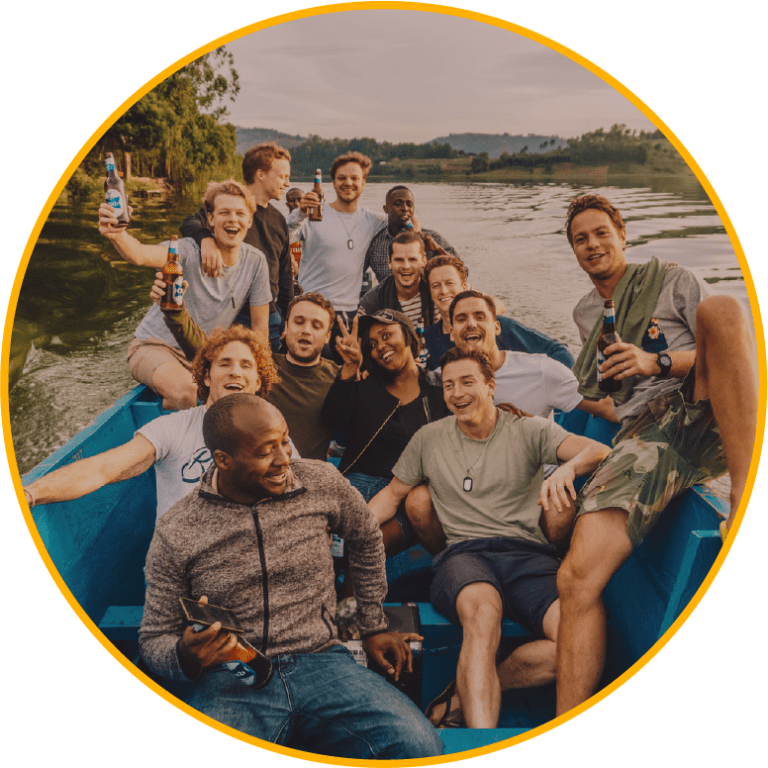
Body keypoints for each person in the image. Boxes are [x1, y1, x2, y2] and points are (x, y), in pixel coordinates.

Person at [139, 394, 444, 759]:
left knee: (418, 745)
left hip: (322, 660)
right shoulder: (178, 528)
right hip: (232, 679)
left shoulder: (320, 482)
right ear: (223, 460)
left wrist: (373, 625)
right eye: (266, 450)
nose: (285, 459)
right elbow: (154, 638)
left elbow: (366, 536)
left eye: (284, 440)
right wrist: (187, 654)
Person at [555, 193, 760, 716]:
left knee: (723, 308)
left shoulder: (674, 281)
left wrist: (655, 361)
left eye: (601, 232)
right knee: (575, 577)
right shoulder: (585, 313)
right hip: (645, 435)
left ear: (623, 235)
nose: (593, 244)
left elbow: (731, 348)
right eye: (581, 239)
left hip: (699, 404)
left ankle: (744, 489)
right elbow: (609, 399)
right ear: (574, 252)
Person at [368, 347, 610, 729]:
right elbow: (393, 495)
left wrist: (567, 471)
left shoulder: (529, 429)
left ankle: (464, 694)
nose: (457, 393)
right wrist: (353, 526)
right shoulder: (429, 438)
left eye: (467, 382)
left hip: (529, 555)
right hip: (464, 555)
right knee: (483, 617)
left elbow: (598, 450)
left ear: (490, 385)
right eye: (448, 385)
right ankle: (482, 740)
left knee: (577, 641)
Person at [21, 325, 280, 521]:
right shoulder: (173, 429)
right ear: (208, 377)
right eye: (225, 363)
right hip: (181, 576)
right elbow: (103, 468)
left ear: (257, 382)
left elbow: (293, 499)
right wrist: (30, 494)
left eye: (246, 365)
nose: (235, 371)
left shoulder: (276, 438)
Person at [99, 179, 272, 411]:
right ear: (210, 219)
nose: (233, 219)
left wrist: (259, 374)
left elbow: (261, 328)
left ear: (249, 220)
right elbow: (140, 255)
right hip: (154, 346)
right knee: (186, 393)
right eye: (224, 212)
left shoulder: (256, 262)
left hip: (203, 354)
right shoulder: (189, 251)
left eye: (240, 213)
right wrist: (117, 235)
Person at [149, 280, 340, 462]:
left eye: (316, 325)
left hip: (306, 476)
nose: (306, 330)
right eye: (299, 322)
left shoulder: (340, 377)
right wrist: (176, 312)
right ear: (286, 327)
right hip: (254, 469)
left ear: (327, 336)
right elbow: (208, 350)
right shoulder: (259, 367)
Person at [321, 309, 449, 555]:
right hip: (357, 483)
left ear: (408, 337)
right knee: (324, 539)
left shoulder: (437, 388)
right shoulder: (366, 384)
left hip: (406, 493)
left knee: (369, 543)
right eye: (372, 343)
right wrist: (349, 368)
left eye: (387, 335)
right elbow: (334, 422)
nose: (381, 346)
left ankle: (355, 593)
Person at [180, 143, 294, 354]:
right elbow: (189, 223)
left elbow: (285, 275)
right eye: (282, 176)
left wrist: (287, 316)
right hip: (231, 315)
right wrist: (206, 239)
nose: (287, 183)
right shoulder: (229, 209)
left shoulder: (278, 220)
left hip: (270, 315)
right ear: (261, 174)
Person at [287, 152, 386, 359]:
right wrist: (300, 213)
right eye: (341, 178)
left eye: (354, 178)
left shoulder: (372, 219)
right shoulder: (315, 214)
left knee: (344, 377)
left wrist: (415, 224)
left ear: (364, 182)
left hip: (349, 314)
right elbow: (281, 236)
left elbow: (402, 221)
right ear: (333, 182)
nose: (348, 183)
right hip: (311, 311)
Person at [424, 254, 576, 370]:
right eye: (436, 285)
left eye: (450, 283)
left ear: (464, 287)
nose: (443, 291)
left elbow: (558, 352)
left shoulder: (497, 326)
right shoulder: (430, 337)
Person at [364, 185, 458, 282]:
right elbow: (355, 274)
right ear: (386, 209)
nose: (405, 208)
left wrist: (437, 249)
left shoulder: (430, 238)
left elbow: (463, 271)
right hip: (387, 296)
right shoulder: (374, 243)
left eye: (409, 204)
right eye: (398, 204)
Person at [358, 230, 437, 330]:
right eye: (399, 260)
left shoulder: (437, 290)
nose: (406, 266)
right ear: (389, 262)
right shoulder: (372, 302)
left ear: (423, 261)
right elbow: (355, 335)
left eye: (412, 259)